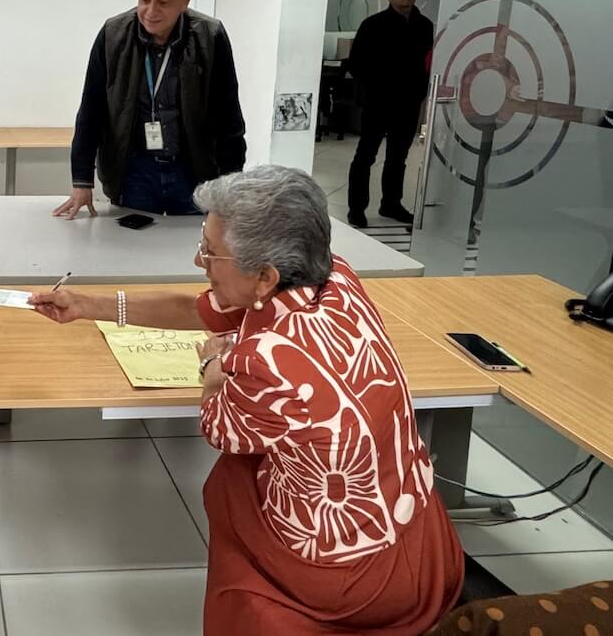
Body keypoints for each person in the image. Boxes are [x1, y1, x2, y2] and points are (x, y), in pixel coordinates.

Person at [31, 165, 463, 634]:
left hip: (354, 576)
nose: (199, 261)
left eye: (209, 252)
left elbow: (218, 426)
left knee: (230, 481)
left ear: (263, 277)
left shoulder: (266, 364)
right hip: (416, 527)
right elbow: (196, 309)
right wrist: (86, 306)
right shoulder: (337, 277)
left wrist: (211, 368)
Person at [54, 0, 246, 220]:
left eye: (163, 2)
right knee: (133, 243)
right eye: (145, 0)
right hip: (135, 171)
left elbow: (228, 117)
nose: (151, 11)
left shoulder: (210, 36)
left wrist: (230, 186)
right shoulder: (113, 35)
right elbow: (91, 109)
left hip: (193, 170)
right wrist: (81, 181)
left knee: (191, 243)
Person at [345, 0, 435, 228]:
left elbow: (428, 63)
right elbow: (356, 63)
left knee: (398, 157)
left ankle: (391, 204)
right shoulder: (373, 25)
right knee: (365, 155)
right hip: (378, 100)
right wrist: (373, 88)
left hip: (409, 102)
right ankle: (356, 208)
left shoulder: (424, 26)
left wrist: (421, 90)